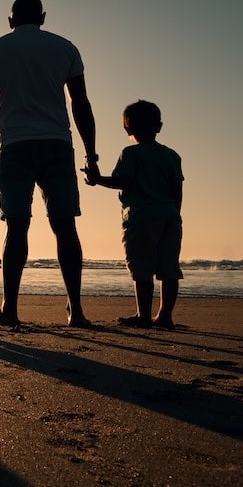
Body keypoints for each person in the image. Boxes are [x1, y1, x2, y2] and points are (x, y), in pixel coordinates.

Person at [0, 0, 99, 327]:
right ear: (43, 17)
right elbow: (80, 102)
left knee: (17, 226)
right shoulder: (65, 48)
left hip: (14, 146)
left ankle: (10, 308)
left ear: (10, 20)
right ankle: (76, 310)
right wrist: (91, 153)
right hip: (57, 144)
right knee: (65, 226)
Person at [84, 100, 183, 329]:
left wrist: (97, 180)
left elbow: (123, 181)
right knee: (169, 268)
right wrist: (175, 213)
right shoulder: (172, 156)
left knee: (142, 269)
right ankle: (165, 315)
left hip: (140, 218)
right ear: (159, 127)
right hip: (170, 216)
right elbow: (177, 190)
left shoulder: (130, 153)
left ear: (127, 129)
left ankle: (144, 315)